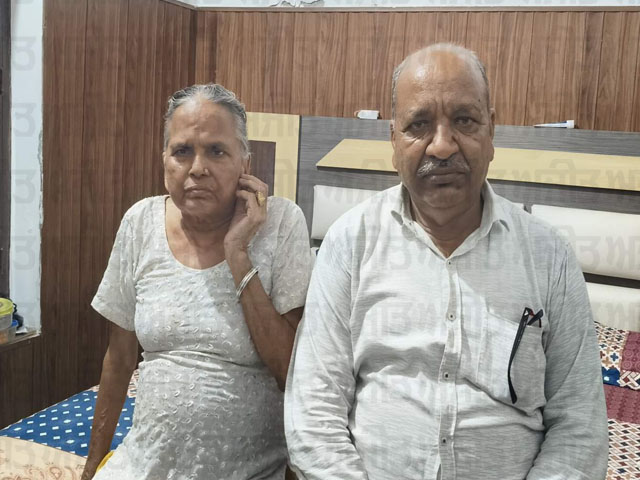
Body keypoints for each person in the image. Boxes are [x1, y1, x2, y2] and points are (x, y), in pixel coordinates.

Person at [284, 43, 608, 480]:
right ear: (394, 140)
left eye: (464, 120)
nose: (441, 146)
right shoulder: (349, 244)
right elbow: (313, 411)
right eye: (419, 124)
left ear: (491, 132)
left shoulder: (550, 257)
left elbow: (580, 428)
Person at [81, 84, 314, 480]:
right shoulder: (140, 222)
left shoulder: (281, 224)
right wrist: (91, 468)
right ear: (164, 160)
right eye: (182, 151)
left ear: (245, 163)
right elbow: (119, 359)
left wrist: (237, 252)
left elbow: (289, 370)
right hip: (144, 465)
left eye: (217, 151)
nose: (197, 168)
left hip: (249, 471)